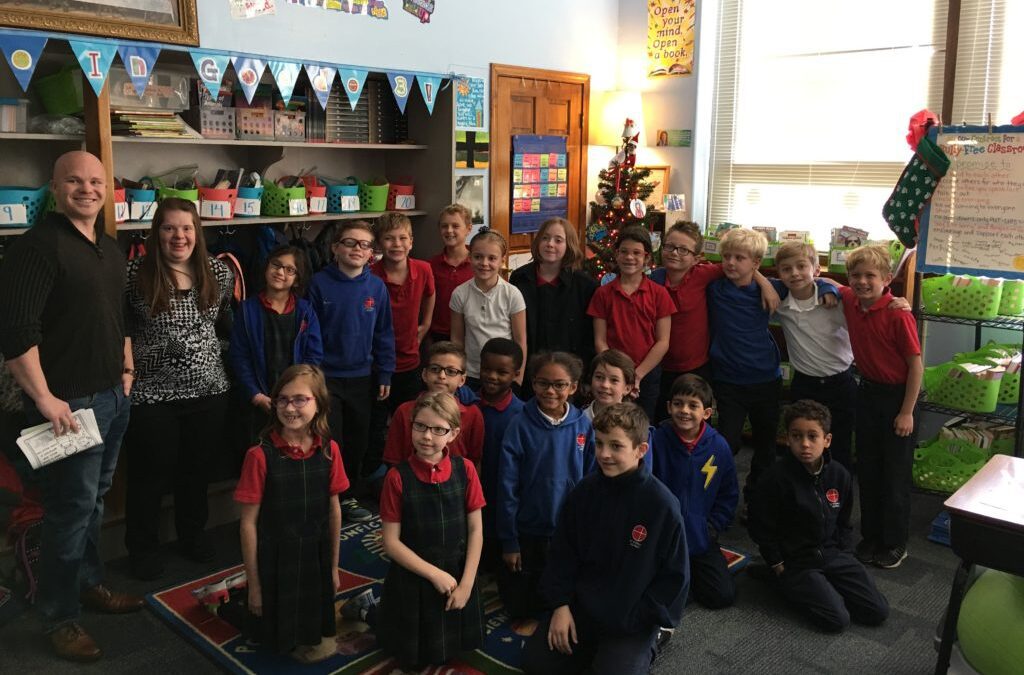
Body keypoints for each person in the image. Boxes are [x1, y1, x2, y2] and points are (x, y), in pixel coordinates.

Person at [0, 150, 140, 661]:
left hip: (110, 396)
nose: (87, 189)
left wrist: (125, 369)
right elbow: (16, 333)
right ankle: (59, 616)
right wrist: (45, 399)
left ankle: (87, 582)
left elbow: (117, 317)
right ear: (54, 188)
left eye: (96, 181)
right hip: (67, 406)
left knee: (94, 500)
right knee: (69, 510)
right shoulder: (37, 247)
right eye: (74, 181)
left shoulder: (107, 248)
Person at [523, 403, 688, 675]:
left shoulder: (662, 506)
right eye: (599, 444)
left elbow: (674, 579)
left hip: (630, 620)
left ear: (640, 450)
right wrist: (560, 605)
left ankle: (651, 642)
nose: (604, 454)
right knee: (536, 664)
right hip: (582, 608)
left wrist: (638, 620)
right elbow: (562, 554)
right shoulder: (583, 493)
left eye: (616, 446)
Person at [123, 198, 234, 580]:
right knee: (148, 475)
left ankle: (192, 535)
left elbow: (222, 325)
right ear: (157, 233)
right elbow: (121, 329)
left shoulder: (218, 273)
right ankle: (142, 549)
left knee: (196, 471)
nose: (178, 236)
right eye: (169, 228)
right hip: (152, 396)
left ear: (197, 233)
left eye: (186, 228)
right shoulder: (134, 273)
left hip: (209, 392)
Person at [349, 392, 485, 670]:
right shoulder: (397, 477)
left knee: (453, 643)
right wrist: (434, 574)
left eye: (438, 429)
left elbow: (475, 529)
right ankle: (366, 609)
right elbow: (391, 543)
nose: (426, 436)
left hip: (458, 572)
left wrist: (468, 583)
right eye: (420, 426)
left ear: (453, 433)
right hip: (415, 576)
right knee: (408, 646)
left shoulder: (466, 470)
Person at [234, 364, 347, 658]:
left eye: (300, 399)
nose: (290, 407)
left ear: (319, 403)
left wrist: (333, 568)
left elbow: (334, 512)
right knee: (265, 627)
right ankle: (230, 598)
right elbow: (248, 524)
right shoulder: (259, 456)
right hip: (275, 558)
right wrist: (255, 585)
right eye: (282, 399)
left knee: (310, 620)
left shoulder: (330, 450)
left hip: (315, 553)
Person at [748, 400, 889, 632]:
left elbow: (844, 521)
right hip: (797, 562)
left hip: (833, 554)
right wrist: (777, 562)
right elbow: (760, 525)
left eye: (813, 436)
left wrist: (844, 552)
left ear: (827, 440)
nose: (804, 444)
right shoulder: (775, 478)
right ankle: (780, 582)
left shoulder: (840, 475)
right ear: (788, 438)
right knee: (837, 621)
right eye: (796, 436)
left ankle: (824, 583)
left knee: (877, 612)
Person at [838, 245, 922, 569]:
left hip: (899, 399)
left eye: (870, 276)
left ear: (887, 279)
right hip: (868, 394)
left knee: (895, 476)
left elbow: (916, 367)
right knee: (869, 471)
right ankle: (871, 536)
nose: (862, 282)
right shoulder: (850, 301)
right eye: (856, 276)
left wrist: (906, 412)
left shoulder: (898, 314)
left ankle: (894, 543)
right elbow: (831, 286)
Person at [308, 220, 395, 524]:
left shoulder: (376, 287)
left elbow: (384, 333)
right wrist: (313, 375)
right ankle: (329, 497)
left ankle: (349, 496)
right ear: (335, 248)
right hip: (326, 378)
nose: (357, 249)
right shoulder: (319, 283)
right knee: (331, 440)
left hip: (363, 377)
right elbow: (310, 333)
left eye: (365, 244)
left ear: (372, 252)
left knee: (359, 440)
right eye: (350, 242)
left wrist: (385, 372)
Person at [497, 352, 595, 618]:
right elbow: (506, 486)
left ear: (573, 387)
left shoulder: (583, 426)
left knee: (561, 597)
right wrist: (509, 541)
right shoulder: (519, 425)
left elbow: (591, 480)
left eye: (559, 385)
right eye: (543, 383)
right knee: (521, 608)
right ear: (533, 383)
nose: (550, 391)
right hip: (527, 529)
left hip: (566, 529)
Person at [706, 227, 783, 514]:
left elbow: (811, 281)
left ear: (756, 263)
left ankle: (757, 501)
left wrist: (827, 287)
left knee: (766, 447)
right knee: (727, 442)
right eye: (727, 256)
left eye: (740, 258)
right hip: (728, 382)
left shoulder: (774, 289)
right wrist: (763, 279)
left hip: (765, 380)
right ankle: (716, 495)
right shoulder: (715, 288)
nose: (731, 263)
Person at [650, 374, 738, 609]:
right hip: (663, 536)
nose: (684, 411)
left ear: (707, 413)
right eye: (678, 403)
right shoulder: (656, 441)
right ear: (668, 407)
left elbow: (728, 494)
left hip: (700, 537)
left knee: (722, 596)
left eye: (693, 405)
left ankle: (685, 578)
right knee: (659, 593)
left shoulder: (719, 446)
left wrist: (712, 527)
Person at [229, 245, 323, 439]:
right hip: (258, 399)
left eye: (290, 270)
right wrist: (255, 395)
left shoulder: (306, 311)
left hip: (296, 401)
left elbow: (313, 356)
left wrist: (298, 395)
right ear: (266, 267)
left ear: (297, 279)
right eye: (276, 265)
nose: (280, 272)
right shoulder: (247, 310)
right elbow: (239, 357)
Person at [367, 213, 435, 476]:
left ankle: (410, 470)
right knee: (376, 421)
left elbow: (431, 294)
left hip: (410, 360)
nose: (396, 244)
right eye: (389, 238)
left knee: (409, 419)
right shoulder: (370, 274)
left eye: (402, 238)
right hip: (377, 363)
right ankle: (375, 473)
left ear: (411, 242)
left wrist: (426, 324)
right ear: (379, 245)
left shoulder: (423, 269)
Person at [587, 225, 675, 419]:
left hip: (647, 374)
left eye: (637, 253)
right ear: (616, 254)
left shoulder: (659, 294)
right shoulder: (603, 294)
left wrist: (637, 375)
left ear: (647, 258)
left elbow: (663, 342)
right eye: (624, 252)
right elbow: (600, 340)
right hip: (612, 377)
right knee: (609, 422)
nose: (629, 257)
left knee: (642, 425)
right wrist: (616, 374)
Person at [509, 217, 597, 393]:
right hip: (528, 372)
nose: (550, 244)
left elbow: (589, 336)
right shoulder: (519, 278)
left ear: (569, 245)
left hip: (568, 376)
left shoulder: (585, 285)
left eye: (558, 240)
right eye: (545, 238)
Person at [382, 341, 485, 467]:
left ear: (462, 380)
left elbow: (475, 461)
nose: (442, 376)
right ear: (424, 374)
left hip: (457, 484)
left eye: (451, 371)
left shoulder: (473, 414)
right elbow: (393, 461)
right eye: (435, 369)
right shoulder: (404, 411)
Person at [450, 229, 527, 389]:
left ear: (502, 261)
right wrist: (458, 372)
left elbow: (520, 341)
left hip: (504, 375)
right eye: (478, 257)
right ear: (469, 258)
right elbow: (457, 339)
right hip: (471, 374)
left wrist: (517, 378)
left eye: (492, 258)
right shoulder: (460, 293)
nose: (484, 263)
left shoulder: (512, 294)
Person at [475, 337, 525, 569]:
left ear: (516, 374)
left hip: (502, 495)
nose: (492, 376)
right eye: (487, 369)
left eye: (501, 372)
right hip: (471, 492)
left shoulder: (522, 415)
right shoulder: (468, 404)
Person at [428, 204, 474, 344]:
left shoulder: (479, 264)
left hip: (471, 333)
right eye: (444, 226)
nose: (449, 230)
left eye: (455, 226)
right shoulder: (430, 265)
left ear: (468, 229)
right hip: (439, 335)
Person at [580, 349, 635, 422]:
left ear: (627, 388)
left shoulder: (634, 425)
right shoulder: (577, 420)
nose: (605, 385)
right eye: (599, 377)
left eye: (614, 380)